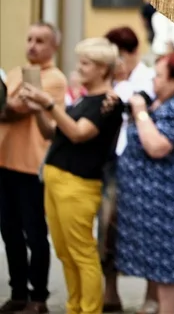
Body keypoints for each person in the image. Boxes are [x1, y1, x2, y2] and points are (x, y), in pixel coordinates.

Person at [19, 38, 124, 314]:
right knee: (65, 253)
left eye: (85, 63)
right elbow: (53, 133)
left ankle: (89, 309)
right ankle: (74, 306)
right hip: (56, 179)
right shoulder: (84, 98)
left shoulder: (110, 101)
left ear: (103, 69)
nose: (79, 68)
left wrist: (49, 104)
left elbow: (79, 134)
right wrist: (39, 109)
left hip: (78, 184)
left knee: (82, 253)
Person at [114, 52, 174, 314]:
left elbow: (157, 147)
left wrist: (140, 114)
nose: (153, 79)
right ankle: (154, 305)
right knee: (156, 261)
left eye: (159, 75)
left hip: (171, 200)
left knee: (169, 263)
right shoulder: (163, 103)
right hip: (155, 201)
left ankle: (167, 310)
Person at [0, 22, 68, 314]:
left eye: (40, 40)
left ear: (54, 46)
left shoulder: (53, 78)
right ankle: (17, 292)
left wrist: (6, 107)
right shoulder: (16, 72)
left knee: (35, 234)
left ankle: (38, 297)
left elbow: (17, 110)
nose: (32, 45)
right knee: (9, 232)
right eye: (29, 39)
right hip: (4, 162)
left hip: (31, 167)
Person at [101, 26, 157, 314]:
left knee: (147, 226)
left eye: (118, 56)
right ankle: (110, 292)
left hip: (142, 161)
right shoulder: (107, 80)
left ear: (130, 52)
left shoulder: (148, 78)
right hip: (112, 161)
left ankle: (152, 294)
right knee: (107, 226)